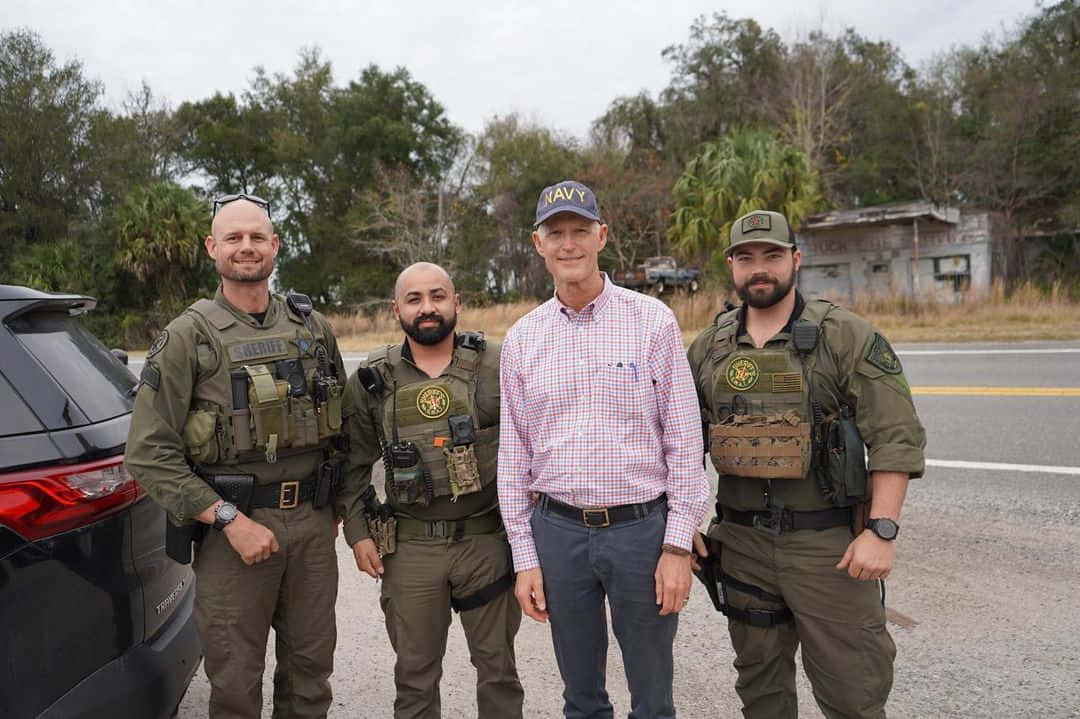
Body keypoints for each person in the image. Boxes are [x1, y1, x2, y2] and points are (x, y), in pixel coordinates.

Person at [686, 210, 926, 719]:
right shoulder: (708, 348)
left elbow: (895, 436)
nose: (760, 269)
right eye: (746, 258)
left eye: (772, 255)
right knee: (762, 695)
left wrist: (882, 530)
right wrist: (680, 525)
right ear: (731, 266)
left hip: (829, 549)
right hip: (742, 543)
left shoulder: (845, 336)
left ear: (795, 259)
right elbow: (677, 443)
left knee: (853, 696)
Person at [125, 194, 347, 719]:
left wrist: (336, 507)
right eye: (233, 238)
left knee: (311, 676)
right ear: (212, 248)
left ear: (274, 245)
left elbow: (342, 421)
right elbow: (148, 452)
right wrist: (228, 519)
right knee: (234, 685)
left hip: (313, 527)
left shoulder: (312, 328)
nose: (245, 248)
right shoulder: (187, 337)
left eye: (256, 237)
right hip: (235, 530)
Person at [498, 180, 711, 719]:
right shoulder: (524, 338)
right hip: (560, 533)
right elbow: (513, 458)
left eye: (580, 231)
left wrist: (678, 546)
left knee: (652, 692)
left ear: (602, 237)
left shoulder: (651, 321)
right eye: (556, 233)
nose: (568, 244)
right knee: (581, 695)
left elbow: (685, 442)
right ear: (538, 243)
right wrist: (526, 557)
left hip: (642, 533)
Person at [338, 262, 524, 719]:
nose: (427, 308)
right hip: (411, 547)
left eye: (438, 296)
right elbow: (351, 463)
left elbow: (535, 448)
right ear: (396, 310)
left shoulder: (499, 364)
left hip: (486, 542)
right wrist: (359, 533)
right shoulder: (372, 379)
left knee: (499, 672)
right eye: (415, 299)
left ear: (456, 303)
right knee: (415, 677)